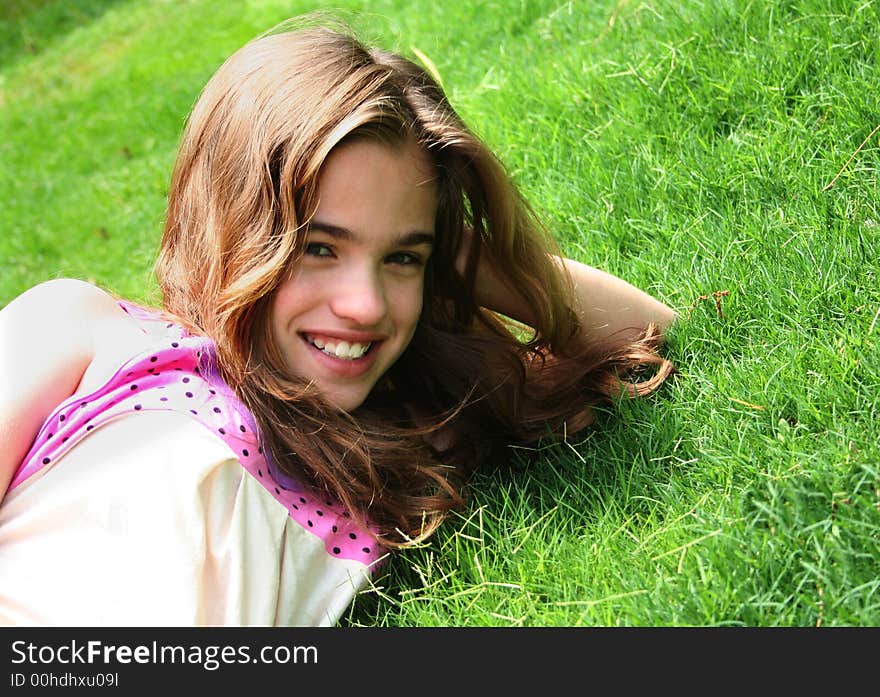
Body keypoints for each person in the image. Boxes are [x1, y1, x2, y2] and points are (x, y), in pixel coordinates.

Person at [0, 18, 676, 626]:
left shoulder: (392, 444)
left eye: (402, 259)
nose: (367, 304)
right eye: (319, 246)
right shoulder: (87, 332)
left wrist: (455, 250)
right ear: (236, 225)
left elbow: (640, 325)